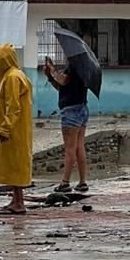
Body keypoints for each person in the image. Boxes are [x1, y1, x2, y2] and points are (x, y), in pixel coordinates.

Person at [0, 44, 33, 215]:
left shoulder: (12, 78)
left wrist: (5, 128)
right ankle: (16, 199)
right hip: (14, 128)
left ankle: (19, 203)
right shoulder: (10, 76)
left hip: (15, 130)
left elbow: (13, 106)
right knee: (12, 164)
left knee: (16, 164)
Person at [44, 57, 90, 193]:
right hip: (82, 108)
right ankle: (82, 181)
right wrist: (50, 77)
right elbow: (62, 88)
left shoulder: (75, 66)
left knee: (70, 148)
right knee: (79, 146)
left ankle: (65, 182)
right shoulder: (85, 68)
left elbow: (63, 80)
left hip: (71, 112)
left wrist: (52, 70)